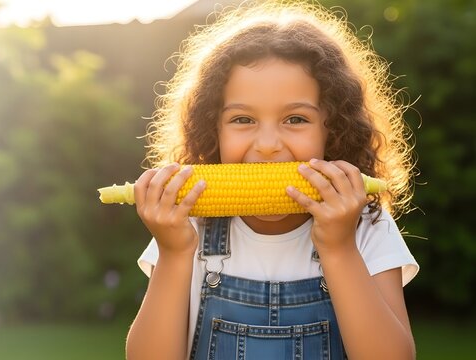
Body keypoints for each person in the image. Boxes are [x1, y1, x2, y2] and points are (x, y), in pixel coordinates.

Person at [124, 1, 419, 359]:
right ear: (212, 129)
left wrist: (340, 249)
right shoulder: (188, 226)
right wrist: (172, 254)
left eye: (295, 119)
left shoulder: (365, 225)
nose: (267, 146)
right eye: (242, 120)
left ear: (334, 130)